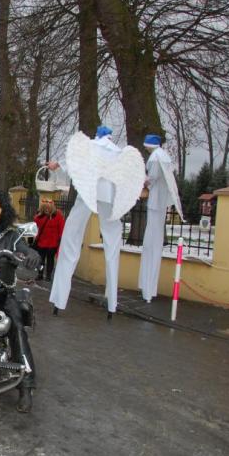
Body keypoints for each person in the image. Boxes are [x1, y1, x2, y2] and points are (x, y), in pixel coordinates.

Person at [47, 125, 142, 318]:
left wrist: (57, 165)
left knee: (70, 241)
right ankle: (112, 304)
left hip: (88, 194)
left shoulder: (90, 146)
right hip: (109, 198)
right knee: (112, 248)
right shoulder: (118, 152)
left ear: (97, 135)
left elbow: (74, 160)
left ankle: (59, 299)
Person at [0, 191, 42, 412]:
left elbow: (23, 249)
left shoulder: (10, 235)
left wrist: (30, 254)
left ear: (2, 211)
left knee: (16, 326)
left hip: (2, 293)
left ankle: (26, 387)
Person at [138, 134, 182, 303]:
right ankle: (148, 288)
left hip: (156, 201)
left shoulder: (156, 157)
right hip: (159, 201)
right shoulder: (162, 156)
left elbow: (152, 178)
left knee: (152, 242)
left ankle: (148, 289)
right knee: (153, 241)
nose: (145, 148)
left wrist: (143, 181)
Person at [32, 198, 65, 281]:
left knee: (49, 260)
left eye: (48, 207)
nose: (47, 209)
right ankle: (41, 274)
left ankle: (47, 275)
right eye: (45, 207)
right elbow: (35, 226)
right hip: (42, 242)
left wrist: (60, 239)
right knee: (42, 260)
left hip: (52, 243)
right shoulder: (39, 216)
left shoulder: (57, 215)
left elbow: (61, 228)